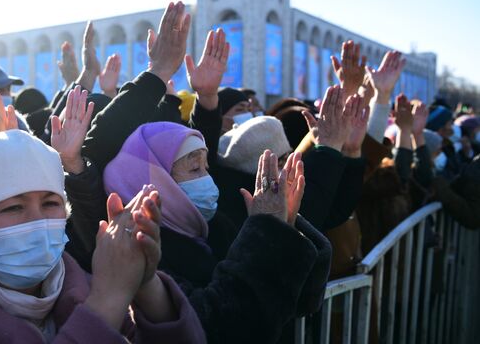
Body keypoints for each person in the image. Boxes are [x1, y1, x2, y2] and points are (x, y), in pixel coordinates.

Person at [0, 129, 206, 343]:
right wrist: (105, 302)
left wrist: (146, 284)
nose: (38, 220)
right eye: (13, 208)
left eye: (51, 204)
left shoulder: (90, 289)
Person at [102, 121, 331, 344]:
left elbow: (299, 302)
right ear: (156, 180)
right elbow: (218, 326)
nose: (207, 179)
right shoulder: (138, 248)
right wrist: (266, 232)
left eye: (206, 168)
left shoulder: (217, 228)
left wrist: (284, 229)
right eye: (194, 168)